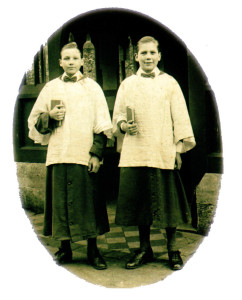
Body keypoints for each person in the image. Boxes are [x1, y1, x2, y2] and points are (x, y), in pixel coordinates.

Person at [112, 36, 196, 271]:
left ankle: (172, 249)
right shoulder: (127, 84)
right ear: (136, 57)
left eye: (152, 53)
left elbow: (180, 117)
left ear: (159, 56)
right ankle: (144, 248)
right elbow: (117, 116)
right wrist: (123, 126)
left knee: (168, 203)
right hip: (136, 150)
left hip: (162, 150)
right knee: (141, 203)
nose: (148, 57)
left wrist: (178, 149)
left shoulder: (170, 83)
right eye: (144, 53)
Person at [28, 42, 112, 270]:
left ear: (82, 61)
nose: (71, 63)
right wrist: (49, 116)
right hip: (59, 154)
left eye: (75, 59)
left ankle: (93, 250)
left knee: (89, 203)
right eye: (67, 59)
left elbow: (102, 125)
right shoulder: (50, 88)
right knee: (61, 202)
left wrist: (96, 154)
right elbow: (34, 123)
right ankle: (65, 247)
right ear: (60, 62)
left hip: (83, 154)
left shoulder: (92, 88)